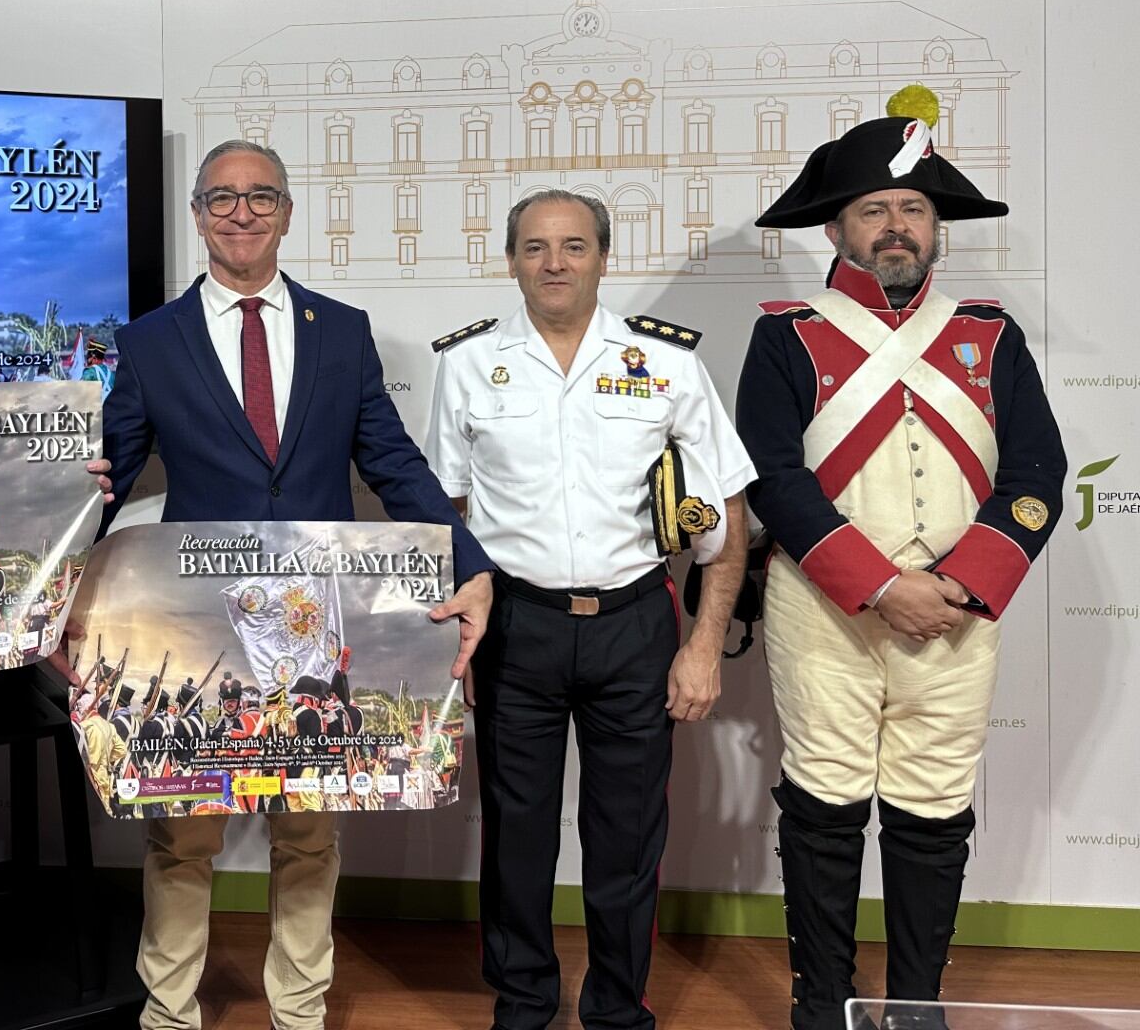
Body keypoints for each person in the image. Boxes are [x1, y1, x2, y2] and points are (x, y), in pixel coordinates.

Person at [101, 138, 491, 1030]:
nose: (241, 213)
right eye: (222, 198)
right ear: (197, 213)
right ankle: (169, 1015)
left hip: (317, 621)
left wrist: (469, 563)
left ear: (286, 212)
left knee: (309, 832)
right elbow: (109, 477)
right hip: (198, 627)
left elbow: (394, 464)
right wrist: (48, 587)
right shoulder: (149, 342)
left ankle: (301, 1014)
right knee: (182, 832)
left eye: (261, 197)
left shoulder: (341, 331)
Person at [738, 87, 1064, 1029]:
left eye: (913, 208)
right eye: (874, 209)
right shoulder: (787, 336)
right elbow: (773, 476)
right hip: (823, 606)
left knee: (934, 799)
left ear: (936, 226)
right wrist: (879, 586)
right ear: (835, 228)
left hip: (959, 606)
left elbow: (1036, 474)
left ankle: (916, 1005)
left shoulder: (988, 335)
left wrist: (962, 583)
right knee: (825, 798)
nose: (896, 226)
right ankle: (823, 1005)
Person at [425, 188, 754, 1030]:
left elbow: (727, 510)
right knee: (517, 835)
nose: (555, 263)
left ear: (604, 257)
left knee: (627, 838)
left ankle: (616, 1009)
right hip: (516, 627)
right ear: (510, 261)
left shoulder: (666, 362)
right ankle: (524, 1002)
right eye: (535, 247)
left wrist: (704, 645)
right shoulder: (467, 363)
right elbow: (445, 514)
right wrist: (454, 641)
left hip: (635, 626)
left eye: (574, 246)